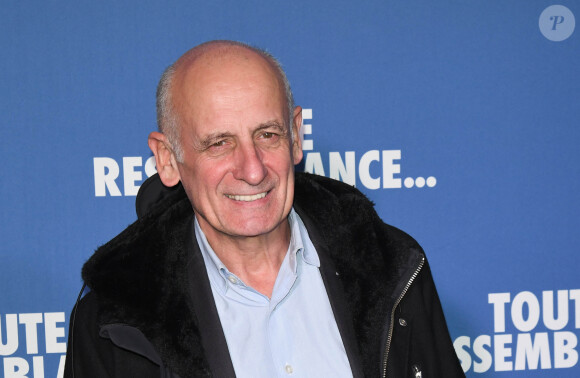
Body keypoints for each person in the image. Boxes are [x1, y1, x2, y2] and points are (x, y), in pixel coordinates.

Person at [64, 40, 464, 378]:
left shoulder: (390, 265)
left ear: (295, 136)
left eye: (268, 135)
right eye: (219, 143)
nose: (253, 170)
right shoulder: (113, 319)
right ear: (167, 159)